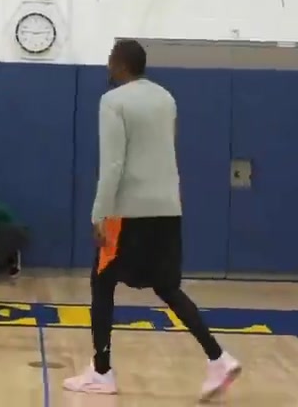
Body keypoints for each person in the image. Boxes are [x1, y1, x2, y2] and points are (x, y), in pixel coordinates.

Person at [63, 39, 241, 401]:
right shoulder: (166, 98)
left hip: (130, 211)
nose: (108, 66)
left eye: (110, 59)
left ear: (120, 64)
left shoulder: (113, 101)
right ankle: (218, 358)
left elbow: (113, 163)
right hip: (167, 207)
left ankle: (102, 372)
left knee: (102, 282)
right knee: (167, 286)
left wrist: (100, 212)